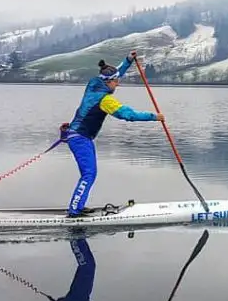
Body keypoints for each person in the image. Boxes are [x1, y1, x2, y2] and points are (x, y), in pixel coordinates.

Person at [61, 51, 164, 217]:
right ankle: (74, 210)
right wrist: (153, 117)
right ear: (108, 82)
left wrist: (128, 61)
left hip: (79, 136)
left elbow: (115, 72)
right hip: (80, 138)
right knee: (89, 174)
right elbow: (128, 115)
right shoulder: (105, 100)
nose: (118, 84)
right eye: (116, 82)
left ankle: (77, 205)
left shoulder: (93, 84)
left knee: (89, 173)